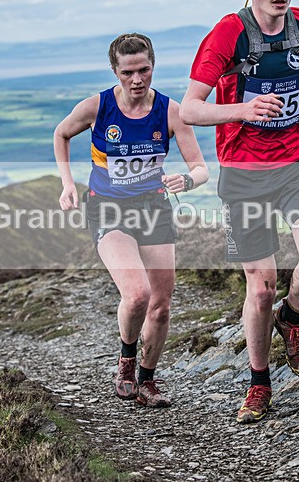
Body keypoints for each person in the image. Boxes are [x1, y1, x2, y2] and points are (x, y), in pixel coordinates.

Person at [180, 0, 299, 423]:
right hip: (244, 173)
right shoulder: (229, 33)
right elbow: (189, 109)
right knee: (261, 288)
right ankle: (259, 383)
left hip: (296, 163)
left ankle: (293, 317)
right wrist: (242, 110)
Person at [54, 33, 208, 408]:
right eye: (128, 73)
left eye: (144, 70)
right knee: (137, 294)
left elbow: (201, 168)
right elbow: (61, 133)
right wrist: (67, 184)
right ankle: (126, 360)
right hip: (108, 208)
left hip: (153, 208)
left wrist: (186, 180)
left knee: (161, 304)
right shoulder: (97, 107)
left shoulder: (172, 111)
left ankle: (148, 379)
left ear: (153, 66)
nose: (137, 80)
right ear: (115, 71)